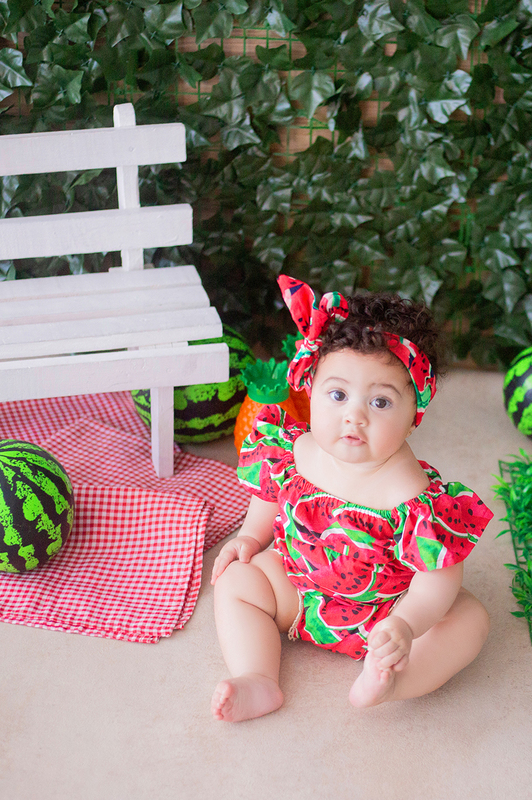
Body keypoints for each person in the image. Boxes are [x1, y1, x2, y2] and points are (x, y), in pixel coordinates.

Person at [209, 275, 493, 722]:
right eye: (338, 394)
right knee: (236, 581)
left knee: (470, 621)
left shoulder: (413, 495)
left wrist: (407, 624)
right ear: (311, 387)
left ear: (414, 415)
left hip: (387, 615)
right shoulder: (296, 451)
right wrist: (249, 537)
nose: (353, 416)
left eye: (380, 403)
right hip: (298, 591)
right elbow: (270, 491)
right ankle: (257, 678)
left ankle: (397, 679)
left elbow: (439, 577)